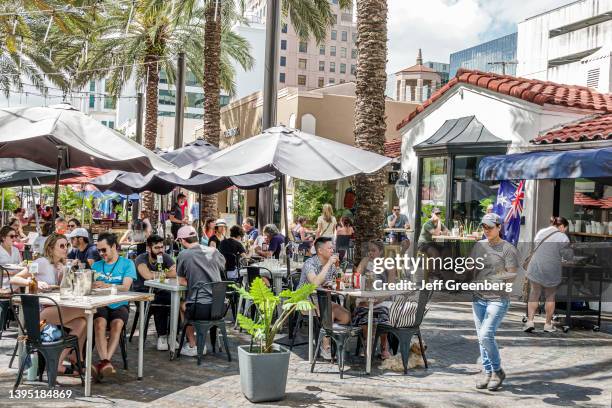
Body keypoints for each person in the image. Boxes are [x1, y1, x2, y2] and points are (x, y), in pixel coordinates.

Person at [12, 233, 87, 376]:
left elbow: (64, 289)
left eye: (67, 245)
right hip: (40, 313)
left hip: (56, 308)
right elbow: (15, 279)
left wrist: (64, 273)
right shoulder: (41, 262)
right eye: (62, 246)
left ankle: (60, 361)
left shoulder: (61, 265)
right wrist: (34, 282)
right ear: (51, 248)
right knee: (86, 312)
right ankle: (77, 358)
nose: (65, 249)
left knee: (82, 322)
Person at [468, 213, 518, 391]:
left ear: (499, 227)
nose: (486, 230)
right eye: (484, 226)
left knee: (485, 335)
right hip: (478, 298)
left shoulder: (508, 249)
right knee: (482, 339)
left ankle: (497, 371)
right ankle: (487, 372)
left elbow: (512, 274)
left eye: (490, 227)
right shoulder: (479, 245)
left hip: (497, 299)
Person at [91, 232, 137, 379]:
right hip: (101, 302)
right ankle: (106, 363)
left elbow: (126, 286)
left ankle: (104, 362)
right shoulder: (97, 265)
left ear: (114, 247)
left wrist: (106, 284)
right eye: (98, 250)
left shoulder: (127, 263)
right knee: (99, 323)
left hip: (119, 303)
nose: (101, 253)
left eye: (104, 250)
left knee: (117, 325)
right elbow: (90, 286)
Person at [175, 226, 225, 357]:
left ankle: (193, 346)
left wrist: (195, 280)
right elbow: (222, 267)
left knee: (182, 305)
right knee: (192, 303)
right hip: (220, 307)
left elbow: (180, 281)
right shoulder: (214, 251)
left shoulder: (184, 254)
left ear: (182, 240)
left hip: (201, 308)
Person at [297, 237, 350, 359]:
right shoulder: (309, 263)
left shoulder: (331, 264)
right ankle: (325, 346)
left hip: (323, 300)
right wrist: (328, 265)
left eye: (333, 248)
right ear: (320, 250)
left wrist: (343, 277)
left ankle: (330, 338)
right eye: (330, 248)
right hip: (305, 300)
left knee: (346, 316)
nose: (332, 250)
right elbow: (315, 283)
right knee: (328, 313)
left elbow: (335, 279)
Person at [524, 216, 570, 333]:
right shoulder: (562, 237)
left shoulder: (541, 232)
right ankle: (547, 325)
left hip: (536, 267)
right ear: (561, 226)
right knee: (550, 295)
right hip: (551, 269)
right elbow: (567, 256)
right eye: (565, 228)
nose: (564, 231)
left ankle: (530, 321)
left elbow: (540, 249)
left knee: (534, 293)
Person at [352, 240, 395, 359]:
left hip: (384, 298)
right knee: (365, 316)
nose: (370, 253)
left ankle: (384, 347)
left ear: (381, 251)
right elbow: (356, 279)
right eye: (369, 250)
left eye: (374, 250)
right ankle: (368, 345)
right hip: (366, 298)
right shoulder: (366, 261)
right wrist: (364, 264)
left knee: (382, 317)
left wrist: (380, 299)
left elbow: (391, 287)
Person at [133, 234, 176, 351]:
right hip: (141, 292)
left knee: (176, 302)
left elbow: (176, 272)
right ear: (148, 248)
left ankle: (173, 335)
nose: (160, 250)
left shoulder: (164, 256)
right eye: (157, 248)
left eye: (162, 247)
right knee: (159, 304)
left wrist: (157, 275)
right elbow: (146, 276)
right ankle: (162, 337)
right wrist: (165, 274)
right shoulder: (141, 259)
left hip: (159, 291)